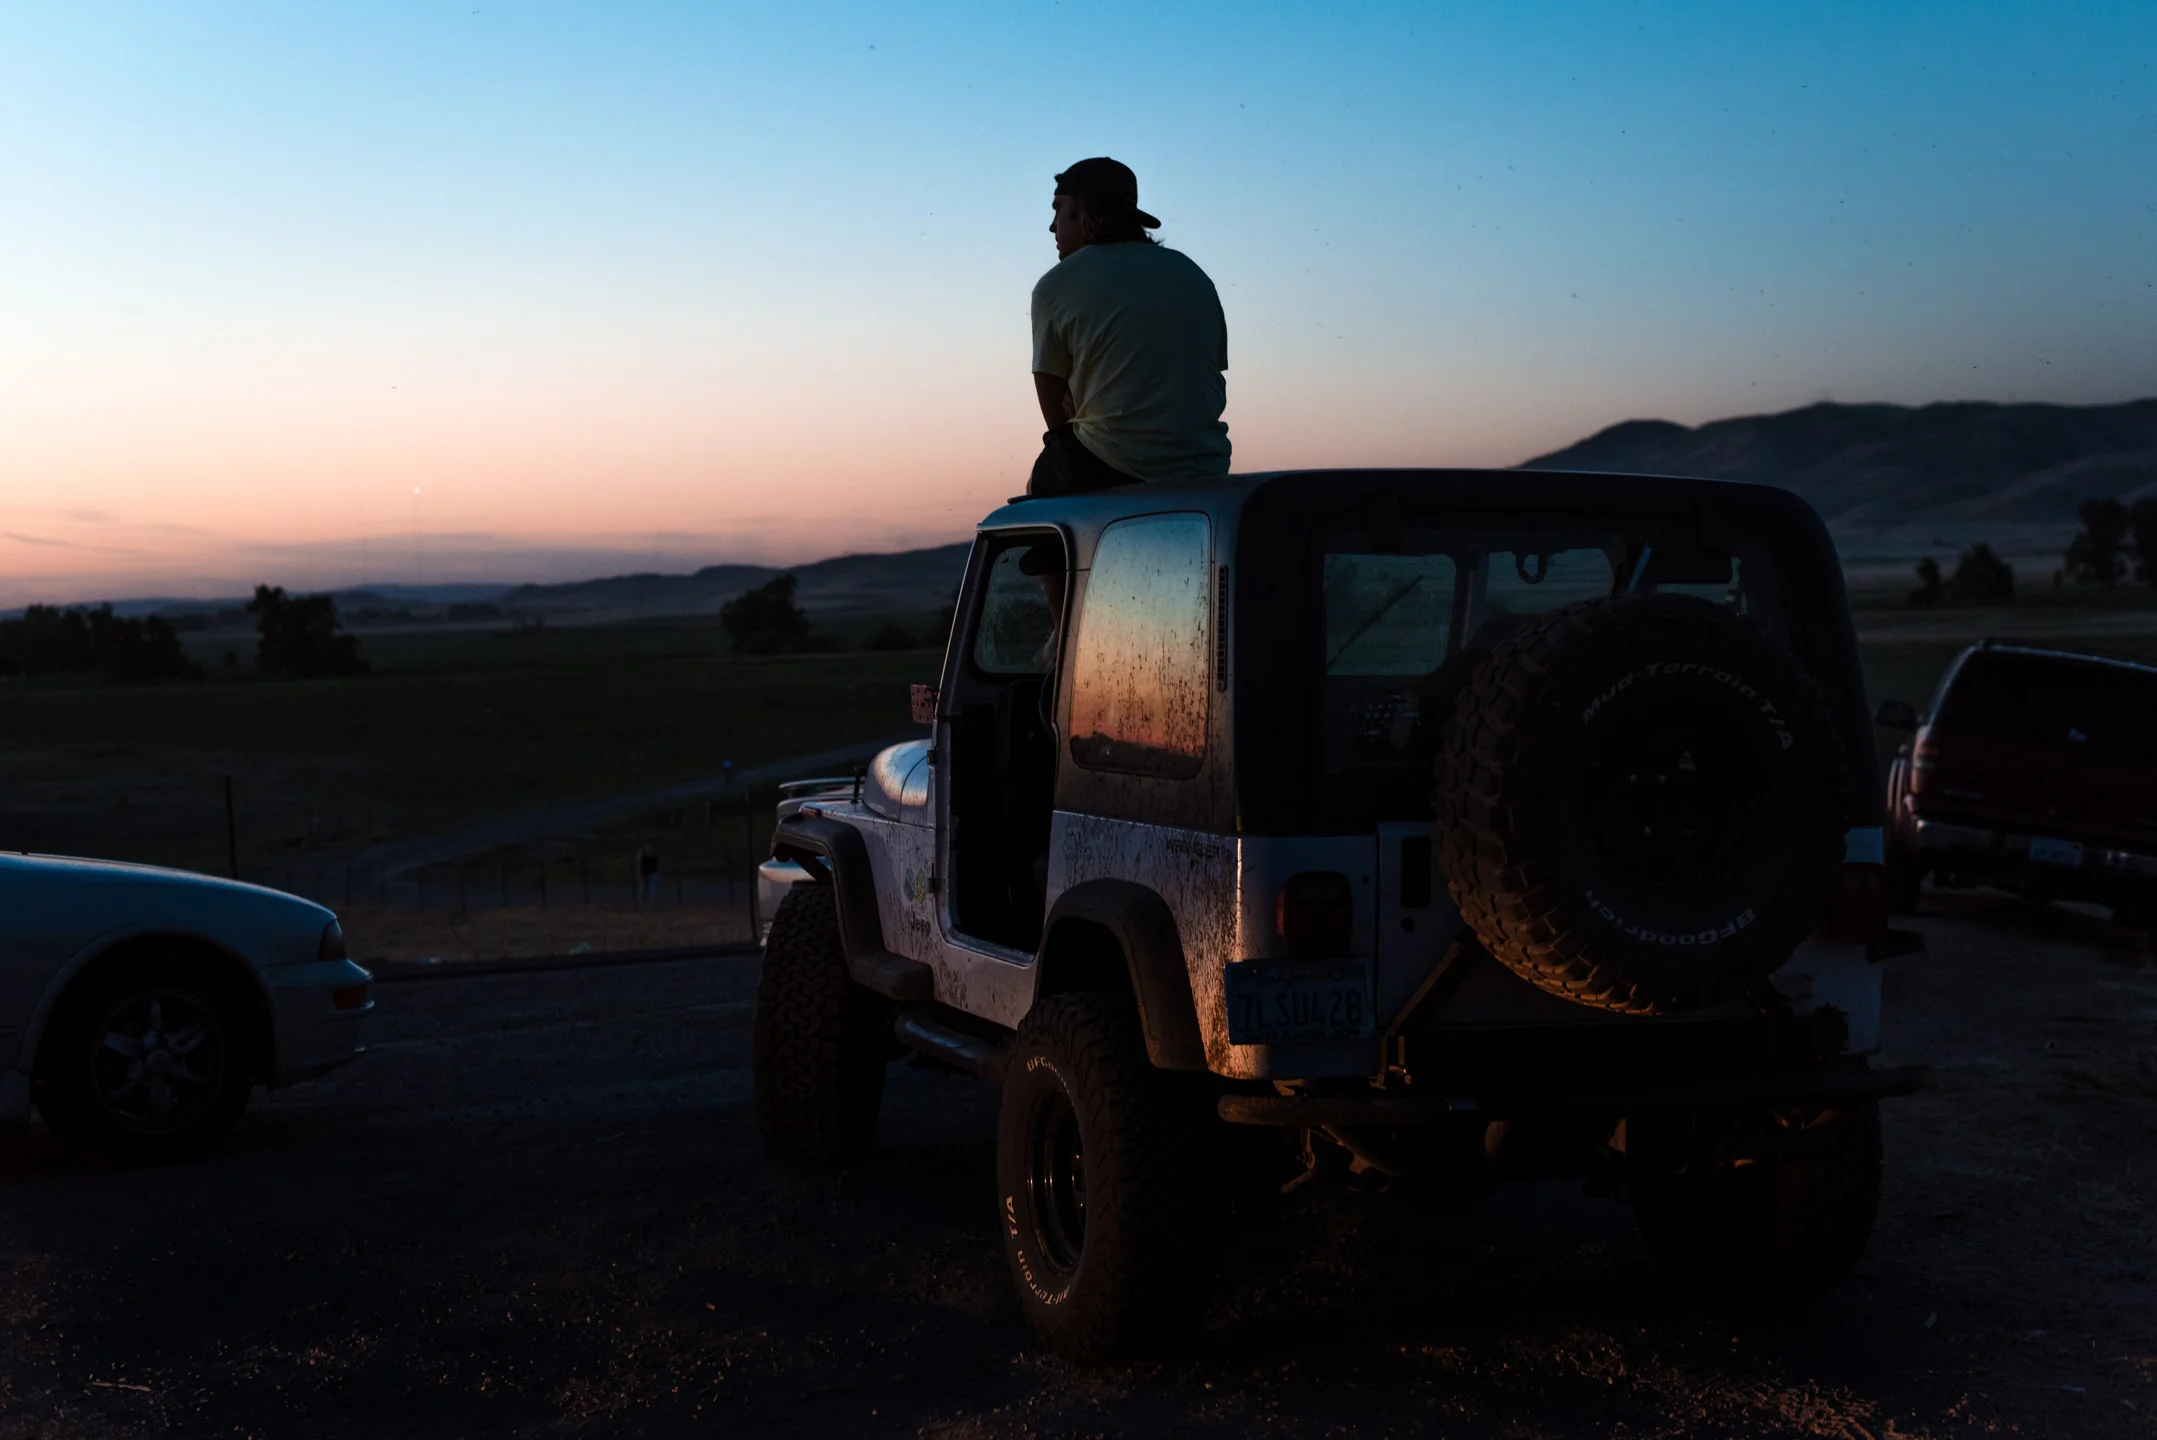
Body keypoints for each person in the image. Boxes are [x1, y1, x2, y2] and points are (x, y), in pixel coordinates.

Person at [1028, 158, 1231, 496]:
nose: (1052, 226)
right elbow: (1196, 378)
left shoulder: (1054, 287)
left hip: (1111, 467)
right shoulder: (1193, 275)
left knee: (1037, 493)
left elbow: (1057, 425)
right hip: (1204, 465)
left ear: (1080, 213)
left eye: (1058, 210)